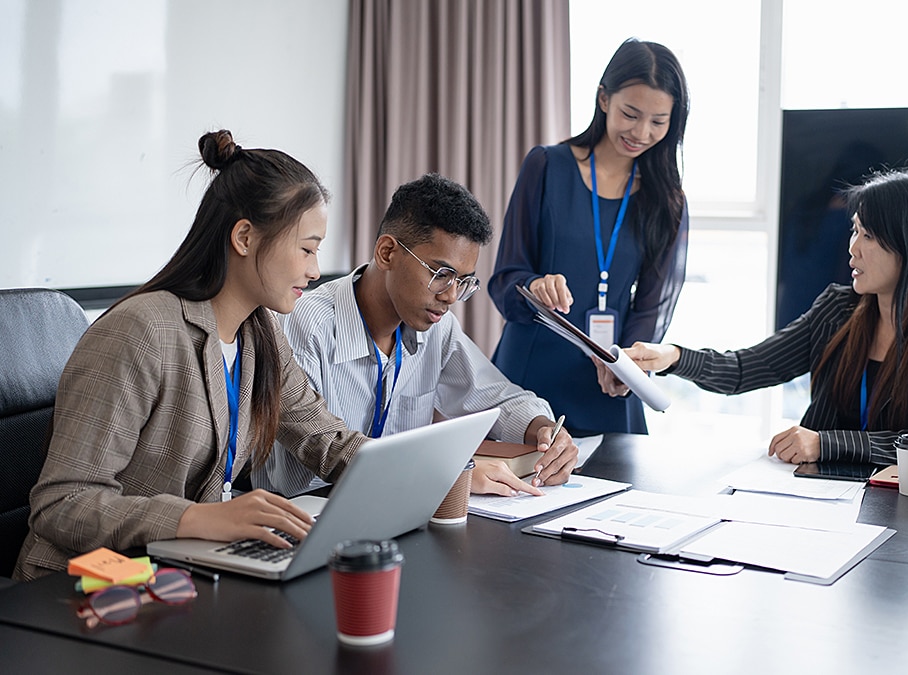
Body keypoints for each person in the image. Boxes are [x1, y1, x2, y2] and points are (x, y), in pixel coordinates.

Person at [16, 130, 366, 580]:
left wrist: (413, 476)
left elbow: (325, 439)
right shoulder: (141, 331)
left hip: (176, 574)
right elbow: (62, 504)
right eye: (307, 249)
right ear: (244, 236)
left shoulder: (260, 335)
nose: (315, 270)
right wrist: (197, 519)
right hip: (84, 588)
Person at [624, 168, 908, 469]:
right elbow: (746, 368)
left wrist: (826, 444)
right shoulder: (837, 309)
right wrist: (672, 356)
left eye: (868, 236)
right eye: (854, 230)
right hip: (820, 502)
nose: (852, 248)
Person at [254, 174, 578, 498]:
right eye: (441, 275)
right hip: (303, 512)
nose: (451, 296)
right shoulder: (303, 325)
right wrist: (443, 473)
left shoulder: (437, 328)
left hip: (398, 507)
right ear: (387, 253)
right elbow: (318, 453)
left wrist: (544, 430)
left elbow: (500, 398)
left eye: (463, 281)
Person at [488, 38, 690, 437]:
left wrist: (627, 368)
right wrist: (533, 286)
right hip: (529, 378)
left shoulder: (667, 202)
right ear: (603, 99)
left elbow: (650, 308)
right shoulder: (546, 166)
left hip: (607, 381)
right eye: (630, 114)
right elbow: (504, 279)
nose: (641, 132)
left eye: (658, 121)